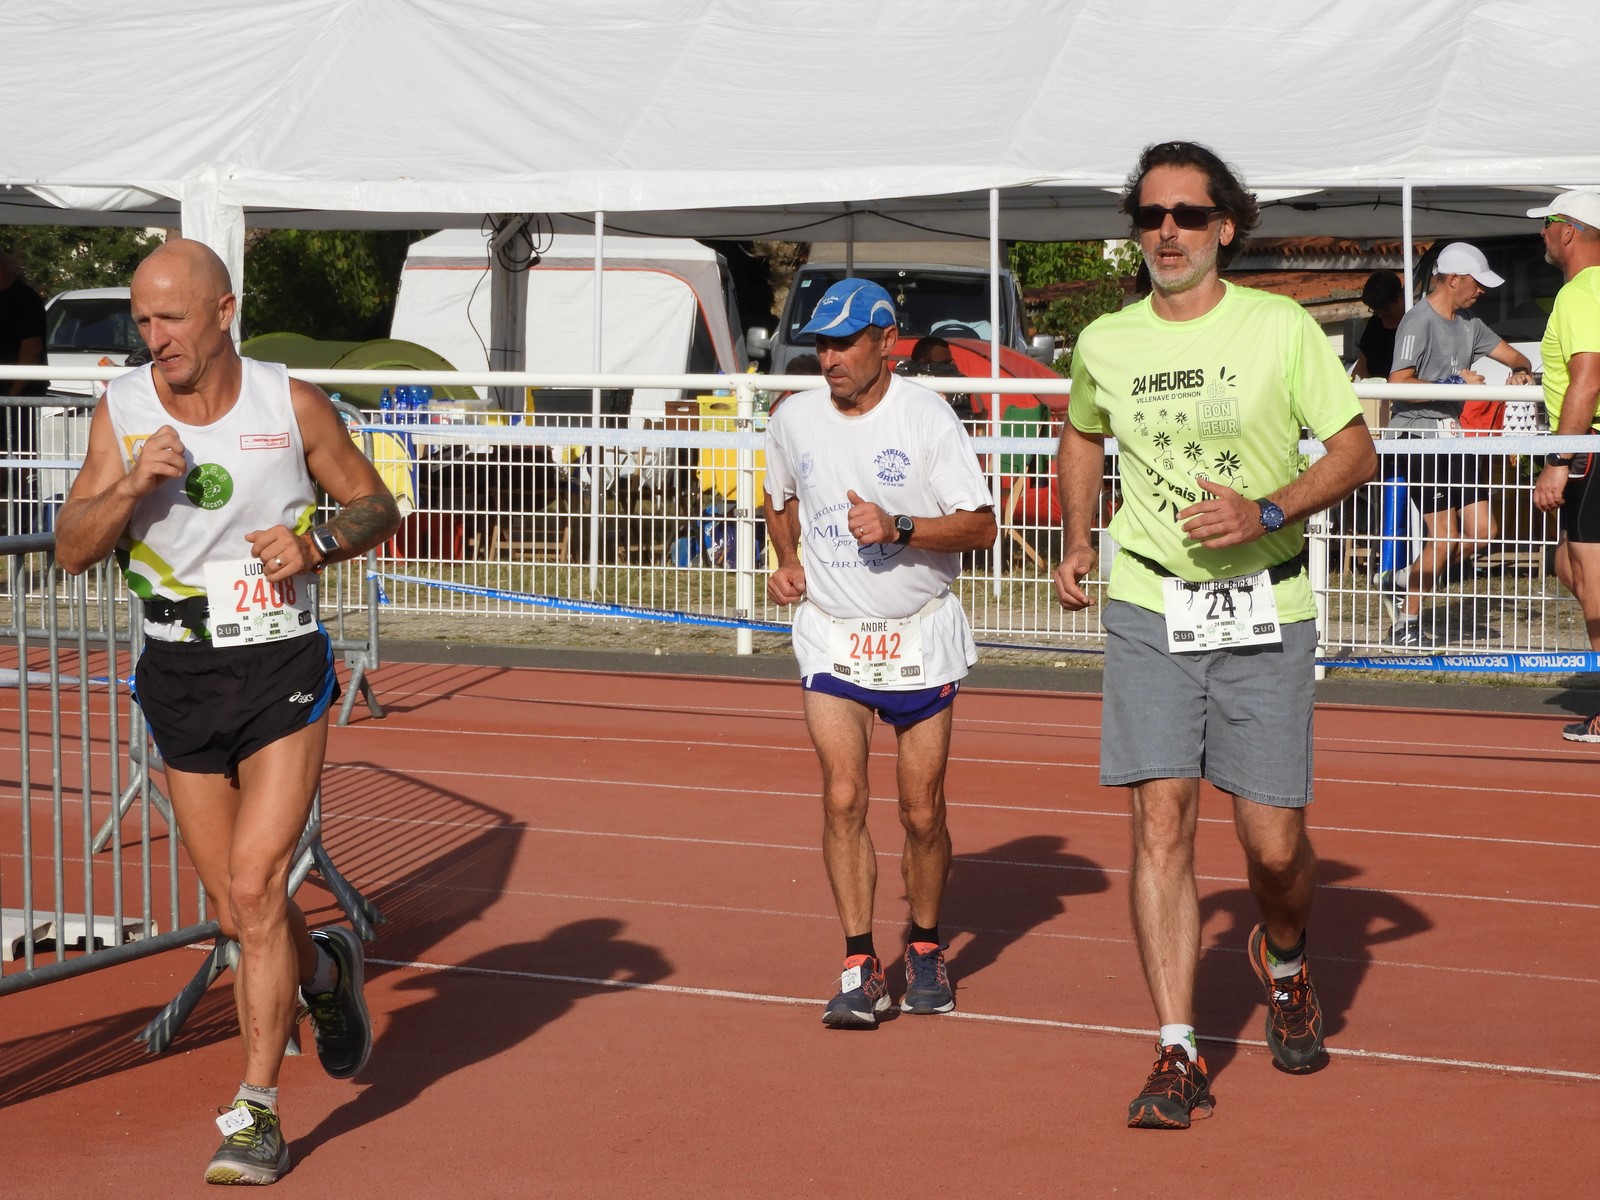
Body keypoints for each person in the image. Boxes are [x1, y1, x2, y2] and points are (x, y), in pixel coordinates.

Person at [54, 239, 401, 1185]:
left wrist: (316, 545)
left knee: (255, 887)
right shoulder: (124, 410)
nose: (153, 336)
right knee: (235, 909)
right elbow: (71, 548)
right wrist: (130, 483)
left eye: (169, 317)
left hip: (280, 664)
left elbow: (375, 505)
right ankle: (325, 969)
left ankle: (256, 1112)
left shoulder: (289, 402)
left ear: (223, 311)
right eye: (142, 319)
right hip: (177, 674)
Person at [1053, 141, 1376, 1128]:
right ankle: (1177, 1049)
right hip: (1151, 603)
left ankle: (1286, 961)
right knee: (1161, 824)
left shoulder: (1279, 326)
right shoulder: (1105, 340)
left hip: (1264, 604)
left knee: (1272, 849)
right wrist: (1077, 536)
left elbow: (1354, 451)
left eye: (1188, 215)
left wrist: (1266, 511)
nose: (1167, 232)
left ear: (1224, 228)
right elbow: (1082, 430)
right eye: (1150, 216)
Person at [763, 278, 996, 1029]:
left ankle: (924, 947)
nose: (829, 358)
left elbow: (981, 526)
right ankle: (860, 964)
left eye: (844, 344)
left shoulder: (926, 417)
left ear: (886, 342)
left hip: (918, 637)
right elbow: (778, 496)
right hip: (832, 634)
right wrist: (786, 558)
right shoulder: (793, 418)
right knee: (843, 796)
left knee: (922, 810)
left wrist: (901, 527)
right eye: (821, 345)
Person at [1381, 243, 1534, 648]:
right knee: (1445, 536)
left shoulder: (1472, 324)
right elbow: (1397, 384)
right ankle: (1406, 624)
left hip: (1453, 434)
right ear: (1453, 279)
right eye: (1477, 283)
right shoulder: (1416, 321)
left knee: (1485, 531)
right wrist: (1452, 383)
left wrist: (1521, 372)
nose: (1481, 291)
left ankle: (1403, 577)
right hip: (1418, 435)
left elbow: (1516, 357)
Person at [1527, 191, 1600, 741]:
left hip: (1589, 450)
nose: (1542, 234)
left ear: (1569, 231)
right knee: (1567, 565)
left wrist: (1559, 458)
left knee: (1594, 582)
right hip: (1589, 449)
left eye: (1548, 224)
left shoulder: (1581, 291)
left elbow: (1587, 379)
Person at [0, 246, 48, 535]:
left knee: (18, 464)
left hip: (19, 400)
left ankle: (20, 528)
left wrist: (12, 396)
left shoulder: (24, 299)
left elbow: (31, 349)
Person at [1351, 270, 1403, 381]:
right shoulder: (1374, 325)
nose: (1381, 315)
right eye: (1376, 311)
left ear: (1399, 298)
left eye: (1386, 309)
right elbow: (1361, 367)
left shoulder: (1415, 323)